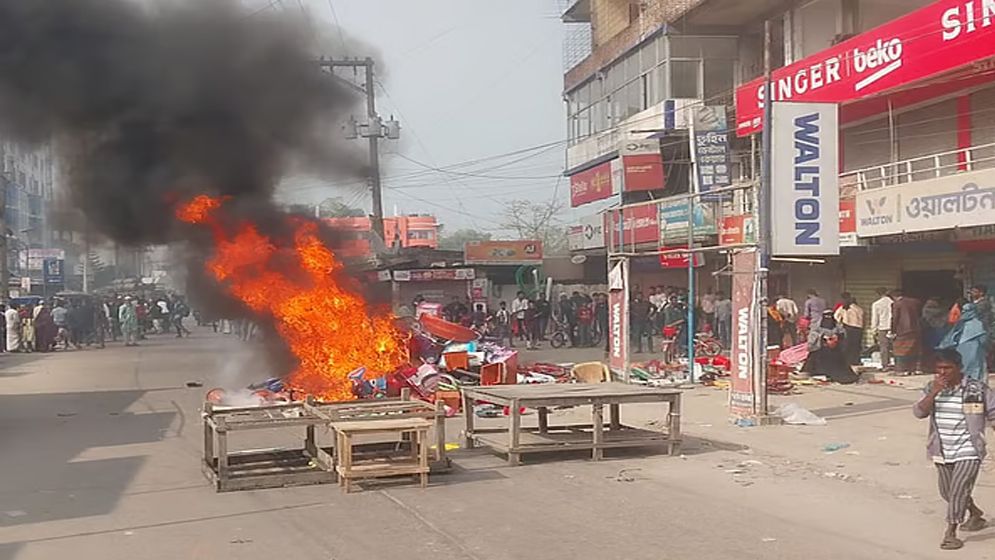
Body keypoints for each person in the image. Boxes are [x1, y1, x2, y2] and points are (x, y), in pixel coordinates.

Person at [913, 348, 994, 550]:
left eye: (947, 368)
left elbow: (993, 412)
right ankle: (975, 514)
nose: (943, 372)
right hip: (941, 449)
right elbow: (919, 412)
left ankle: (950, 533)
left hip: (969, 449)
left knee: (958, 491)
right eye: (939, 368)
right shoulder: (932, 387)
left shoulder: (977, 389)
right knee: (947, 492)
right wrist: (934, 393)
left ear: (959, 368)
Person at [802, 310, 859, 384]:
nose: (828, 319)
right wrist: (823, 338)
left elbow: (843, 334)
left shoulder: (837, 326)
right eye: (826, 317)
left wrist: (836, 337)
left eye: (830, 316)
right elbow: (812, 337)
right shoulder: (816, 325)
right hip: (821, 350)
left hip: (834, 351)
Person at [938, 303, 989, 383]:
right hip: (963, 349)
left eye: (967, 311)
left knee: (975, 369)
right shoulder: (962, 323)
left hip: (974, 350)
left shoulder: (976, 323)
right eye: (964, 311)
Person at [893, 289, 924, 374]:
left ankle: (901, 370)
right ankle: (915, 369)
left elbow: (895, 318)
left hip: (903, 330)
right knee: (914, 349)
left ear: (894, 296)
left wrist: (893, 330)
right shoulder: (915, 302)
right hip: (916, 329)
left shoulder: (897, 304)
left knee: (900, 350)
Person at [834, 293, 864, 366]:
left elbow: (836, 316)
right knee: (856, 346)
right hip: (858, 329)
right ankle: (855, 360)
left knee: (847, 345)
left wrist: (840, 322)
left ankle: (847, 361)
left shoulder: (843, 308)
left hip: (848, 327)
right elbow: (862, 318)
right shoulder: (859, 309)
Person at [922, 297, 950, 372]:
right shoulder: (942, 311)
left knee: (933, 350)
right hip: (937, 331)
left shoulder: (926, 310)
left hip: (933, 331)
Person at [871, 287, 894, 369]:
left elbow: (875, 318)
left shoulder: (876, 304)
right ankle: (898, 364)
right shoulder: (893, 302)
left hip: (883, 328)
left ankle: (885, 365)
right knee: (895, 346)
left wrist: (874, 330)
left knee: (884, 347)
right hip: (893, 327)